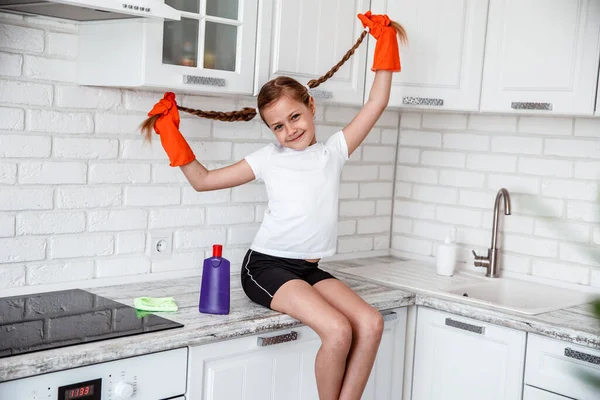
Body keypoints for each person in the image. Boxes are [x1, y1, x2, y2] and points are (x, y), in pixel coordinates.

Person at [140, 11, 406, 400]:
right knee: (337, 329)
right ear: (270, 130)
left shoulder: (333, 152)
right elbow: (203, 181)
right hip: (265, 266)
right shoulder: (268, 158)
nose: (290, 130)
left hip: (307, 269)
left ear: (311, 107)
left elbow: (377, 101)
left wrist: (384, 40)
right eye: (278, 126)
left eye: (295, 116)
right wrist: (168, 130)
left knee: (370, 322)